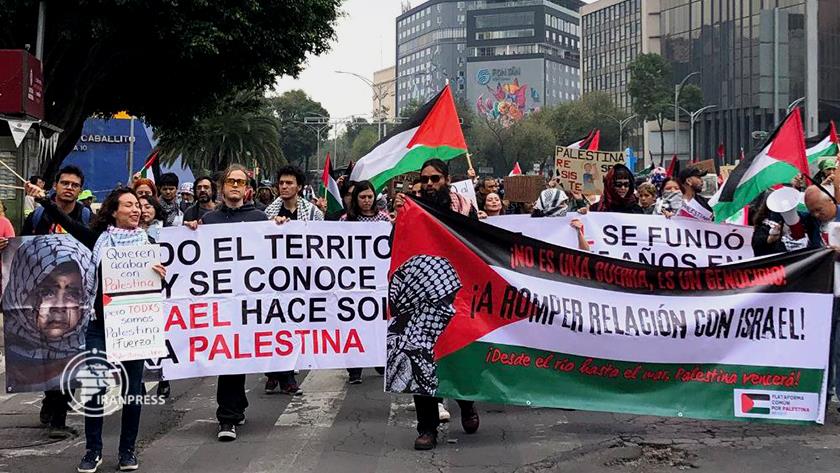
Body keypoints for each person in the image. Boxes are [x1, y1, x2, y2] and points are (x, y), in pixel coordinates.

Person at [25, 182, 166, 473]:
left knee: (133, 390)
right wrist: (45, 200)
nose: (136, 210)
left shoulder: (148, 244)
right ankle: (93, 451)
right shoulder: (98, 239)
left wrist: (160, 275)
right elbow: (67, 221)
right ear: (113, 212)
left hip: (133, 328)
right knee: (95, 389)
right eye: (129, 205)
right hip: (98, 326)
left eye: (138, 206)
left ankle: (128, 451)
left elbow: (154, 289)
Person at [393, 159, 479, 451]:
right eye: (425, 179)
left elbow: (479, 245)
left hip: (458, 295)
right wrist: (399, 218)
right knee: (421, 356)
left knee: (458, 355)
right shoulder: (411, 211)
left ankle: (466, 404)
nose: (430, 184)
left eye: (436, 179)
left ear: (447, 179)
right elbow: (398, 246)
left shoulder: (465, 208)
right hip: (420, 298)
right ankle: (427, 427)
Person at [184, 164, 267, 442]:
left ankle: (236, 406)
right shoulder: (209, 221)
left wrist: (280, 228)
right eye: (230, 181)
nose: (234, 186)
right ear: (222, 188)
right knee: (227, 359)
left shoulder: (260, 218)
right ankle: (227, 418)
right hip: (219, 302)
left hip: (250, 302)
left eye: (240, 182)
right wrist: (191, 233)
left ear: (247, 189)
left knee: (240, 356)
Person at [19, 166, 89, 439]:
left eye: (74, 184)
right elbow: (22, 246)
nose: (69, 188)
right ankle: (52, 402)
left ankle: (57, 413)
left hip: (75, 296)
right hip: (43, 296)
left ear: (80, 189)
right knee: (48, 354)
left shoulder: (85, 216)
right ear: (55, 185)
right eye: (65, 183)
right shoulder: (38, 215)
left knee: (69, 353)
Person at [263, 166, 322, 395]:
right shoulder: (268, 213)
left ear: (299, 186)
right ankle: (282, 376)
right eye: (281, 183)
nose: (285, 187)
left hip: (301, 278)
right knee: (275, 325)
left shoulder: (313, 212)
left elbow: (321, 240)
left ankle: (279, 373)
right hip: (274, 279)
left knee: (293, 326)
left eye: (289, 183)